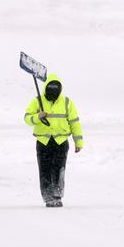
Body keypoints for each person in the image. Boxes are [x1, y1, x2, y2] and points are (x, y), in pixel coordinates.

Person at [24, 73, 83, 207]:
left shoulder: (67, 102)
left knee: (59, 169)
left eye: (56, 88)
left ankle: (57, 195)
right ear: (46, 88)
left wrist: (78, 142)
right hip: (43, 142)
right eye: (50, 88)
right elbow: (27, 118)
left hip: (61, 141)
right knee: (44, 170)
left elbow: (75, 123)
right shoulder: (37, 101)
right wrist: (38, 116)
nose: (53, 91)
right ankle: (47, 196)